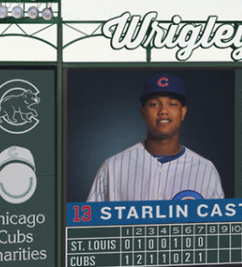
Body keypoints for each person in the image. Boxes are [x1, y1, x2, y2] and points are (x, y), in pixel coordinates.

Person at [86, 73, 224, 202]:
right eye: (154, 104)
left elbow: (219, 226)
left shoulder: (205, 169)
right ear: (143, 112)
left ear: (183, 112)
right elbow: (90, 224)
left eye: (172, 104)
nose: (163, 111)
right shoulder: (113, 167)